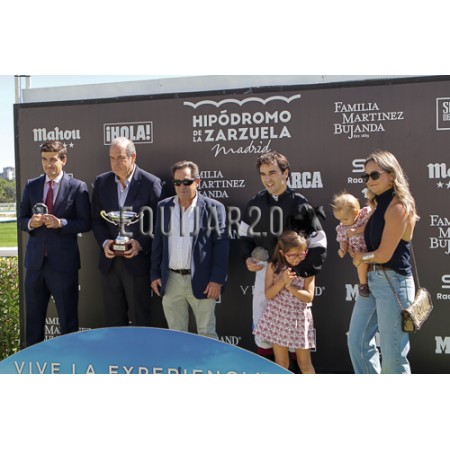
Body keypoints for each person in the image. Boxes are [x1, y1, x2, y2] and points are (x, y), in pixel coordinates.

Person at [240, 151, 327, 358]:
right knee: (262, 327)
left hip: (293, 276)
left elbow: (319, 243)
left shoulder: (299, 203)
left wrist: (297, 272)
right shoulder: (255, 203)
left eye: (272, 172)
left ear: (285, 173)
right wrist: (247, 258)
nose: (267, 179)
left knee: (293, 333)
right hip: (265, 272)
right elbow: (243, 236)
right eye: (263, 174)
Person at [348, 150, 419, 374]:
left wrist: (361, 258)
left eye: (375, 175)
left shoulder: (398, 206)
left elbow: (384, 254)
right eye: (366, 176)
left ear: (391, 175)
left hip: (394, 283)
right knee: (357, 343)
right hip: (372, 281)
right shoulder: (377, 206)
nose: (369, 180)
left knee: (393, 357)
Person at [18, 140, 91, 347]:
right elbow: (21, 219)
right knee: (33, 322)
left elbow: (85, 222)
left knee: (68, 322)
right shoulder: (31, 185)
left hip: (63, 265)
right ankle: (32, 361)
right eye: (44, 159)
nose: (48, 165)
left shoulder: (77, 187)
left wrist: (61, 223)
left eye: (52, 160)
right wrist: (31, 223)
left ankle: (70, 360)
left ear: (63, 160)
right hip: (35, 264)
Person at [150, 161, 229, 339]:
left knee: (207, 334)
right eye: (177, 183)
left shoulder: (214, 208)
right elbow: (158, 243)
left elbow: (221, 246)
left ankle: (208, 359)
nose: (181, 186)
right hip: (171, 280)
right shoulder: (164, 207)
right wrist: (154, 274)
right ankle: (179, 360)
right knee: (176, 335)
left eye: (186, 182)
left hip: (203, 280)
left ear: (197, 182)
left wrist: (217, 280)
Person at [92, 136, 162, 327]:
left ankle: (140, 348)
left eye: (121, 158)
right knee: (113, 321)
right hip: (109, 264)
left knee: (140, 320)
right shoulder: (102, 182)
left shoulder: (150, 183)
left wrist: (140, 243)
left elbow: (159, 224)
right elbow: (97, 220)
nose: (115, 163)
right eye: (112, 158)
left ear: (133, 157)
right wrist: (105, 243)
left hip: (137, 264)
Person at [253, 231, 316, 373]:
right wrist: (282, 281)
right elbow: (269, 294)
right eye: (292, 255)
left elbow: (308, 297)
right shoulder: (273, 267)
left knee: (304, 364)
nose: (297, 259)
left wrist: (289, 286)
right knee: (281, 363)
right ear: (282, 253)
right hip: (278, 318)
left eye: (301, 254)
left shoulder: (308, 269)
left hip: (299, 319)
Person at [332, 192, 372, 297]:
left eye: (345, 219)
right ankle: (363, 284)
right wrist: (343, 249)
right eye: (340, 219)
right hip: (359, 252)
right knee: (361, 265)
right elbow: (343, 240)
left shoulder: (364, 215)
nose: (343, 222)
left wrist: (357, 231)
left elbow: (372, 225)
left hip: (372, 249)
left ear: (357, 212)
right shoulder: (342, 227)